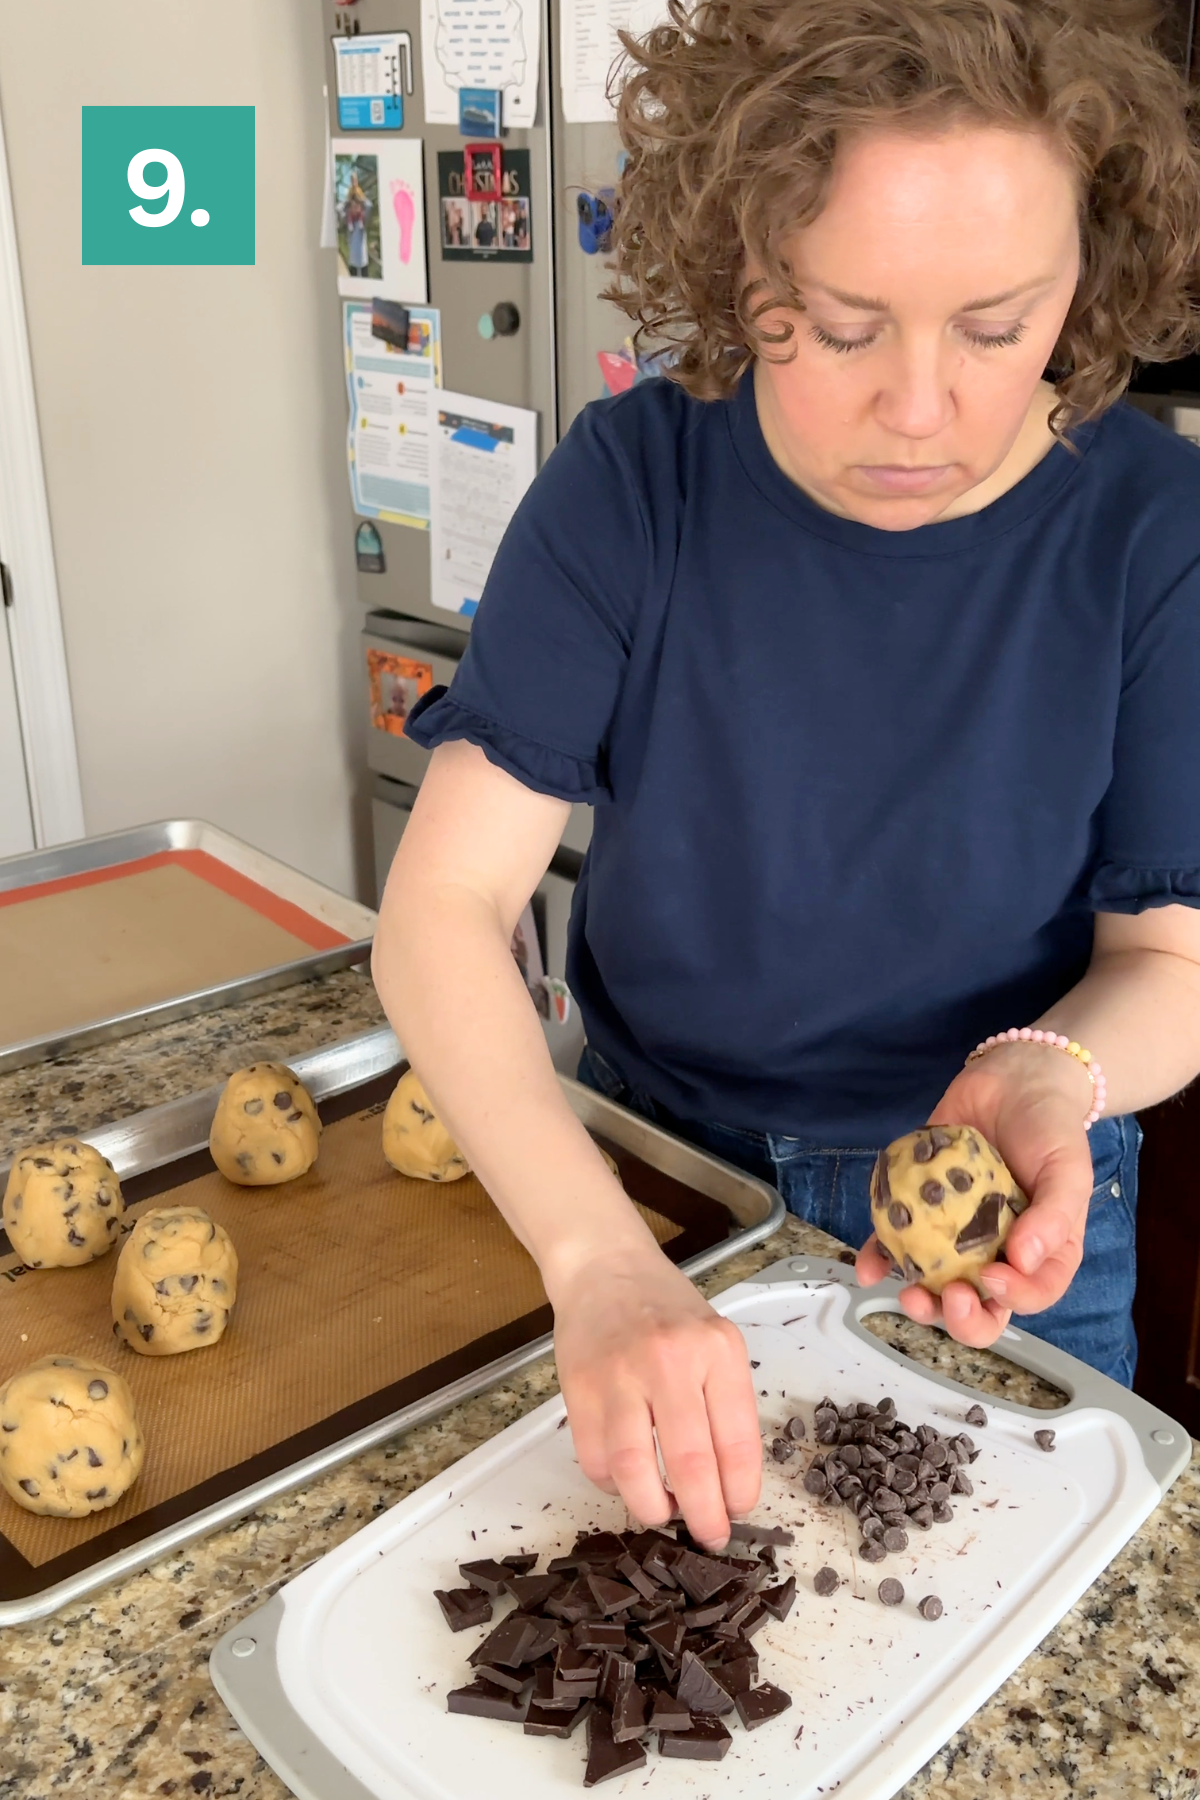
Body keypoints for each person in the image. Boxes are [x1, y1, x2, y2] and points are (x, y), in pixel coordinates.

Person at [372, 0, 1200, 1552]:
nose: (919, 407)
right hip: (649, 1174)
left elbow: (1172, 956)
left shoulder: (1160, 534)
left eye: (998, 323)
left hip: (1010, 1230)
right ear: (735, 266)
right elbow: (444, 908)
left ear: (1093, 273)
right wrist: (598, 1257)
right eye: (838, 324)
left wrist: (1054, 1070)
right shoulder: (630, 486)